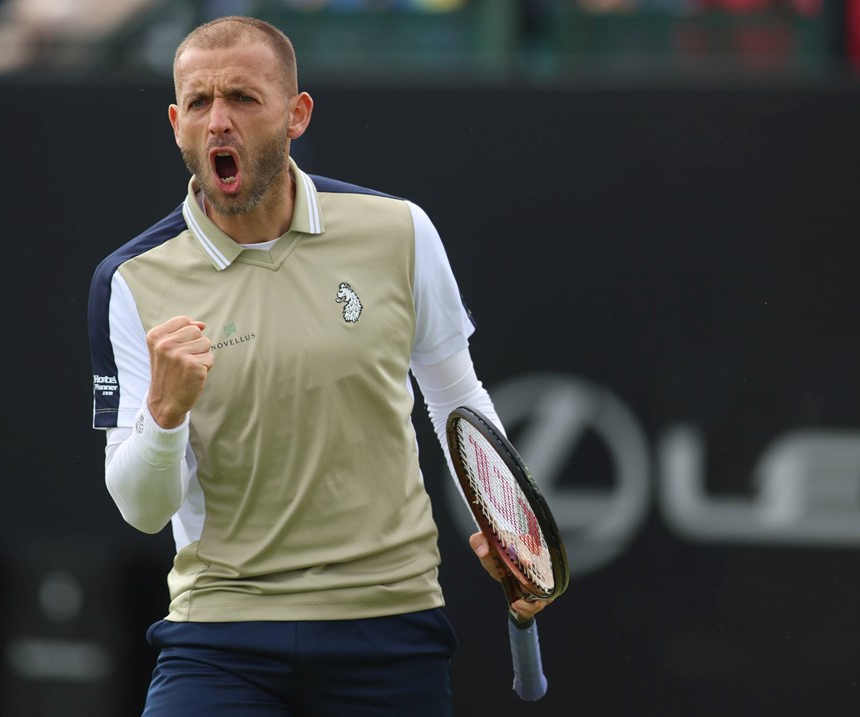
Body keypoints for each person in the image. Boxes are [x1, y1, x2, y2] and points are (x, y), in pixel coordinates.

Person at [87, 15, 551, 716]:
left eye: (243, 98)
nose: (220, 122)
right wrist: (164, 415)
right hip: (220, 631)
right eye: (202, 103)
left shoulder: (398, 229)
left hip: (390, 623)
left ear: (296, 114)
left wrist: (513, 526)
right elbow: (143, 509)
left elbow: (455, 395)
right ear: (177, 122)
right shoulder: (129, 281)